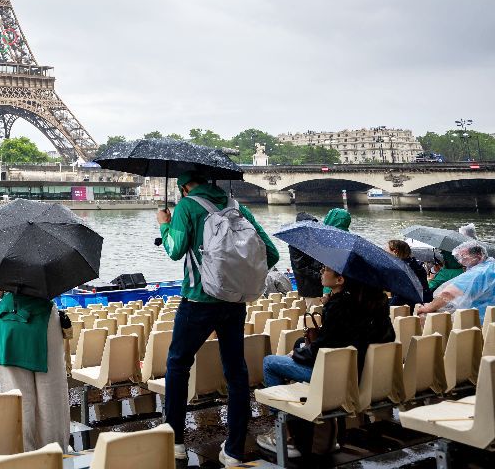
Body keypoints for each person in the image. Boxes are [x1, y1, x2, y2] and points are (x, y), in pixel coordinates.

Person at [156, 171, 280, 467]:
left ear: (183, 186)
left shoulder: (187, 206)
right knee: (236, 372)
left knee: (177, 364)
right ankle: (235, 449)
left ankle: (175, 441)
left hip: (199, 299)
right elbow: (271, 254)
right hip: (233, 302)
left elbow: (174, 250)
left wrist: (164, 224)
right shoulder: (237, 206)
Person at [257, 266, 395, 457]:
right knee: (298, 344)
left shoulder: (340, 305)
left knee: (270, 363)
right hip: (360, 370)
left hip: (334, 376)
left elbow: (325, 347)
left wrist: (295, 354)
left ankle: (286, 430)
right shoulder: (374, 302)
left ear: (340, 280)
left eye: (326, 269)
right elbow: (345, 338)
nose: (321, 271)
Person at [0, 289, 69, 451]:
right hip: (44, 320)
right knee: (50, 397)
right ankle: (53, 455)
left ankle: (24, 456)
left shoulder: (6, 263)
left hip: (11, 320)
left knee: (19, 400)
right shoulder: (48, 262)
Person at [416, 241, 495, 320]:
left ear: (478, 256)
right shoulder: (491, 266)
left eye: (464, 257)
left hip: (480, 320)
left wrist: (429, 307)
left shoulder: (478, 273)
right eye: (459, 258)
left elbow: (448, 293)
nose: (461, 261)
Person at [289, 212, 323, 300]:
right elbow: (301, 267)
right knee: (314, 310)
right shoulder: (295, 243)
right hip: (309, 287)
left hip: (318, 284)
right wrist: (320, 276)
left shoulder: (312, 241)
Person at [386, 239, 430, 306]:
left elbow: (401, 295)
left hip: (411, 305)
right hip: (425, 300)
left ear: (395, 252)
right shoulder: (415, 264)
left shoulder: (401, 268)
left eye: (386, 251)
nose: (384, 253)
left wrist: (388, 306)